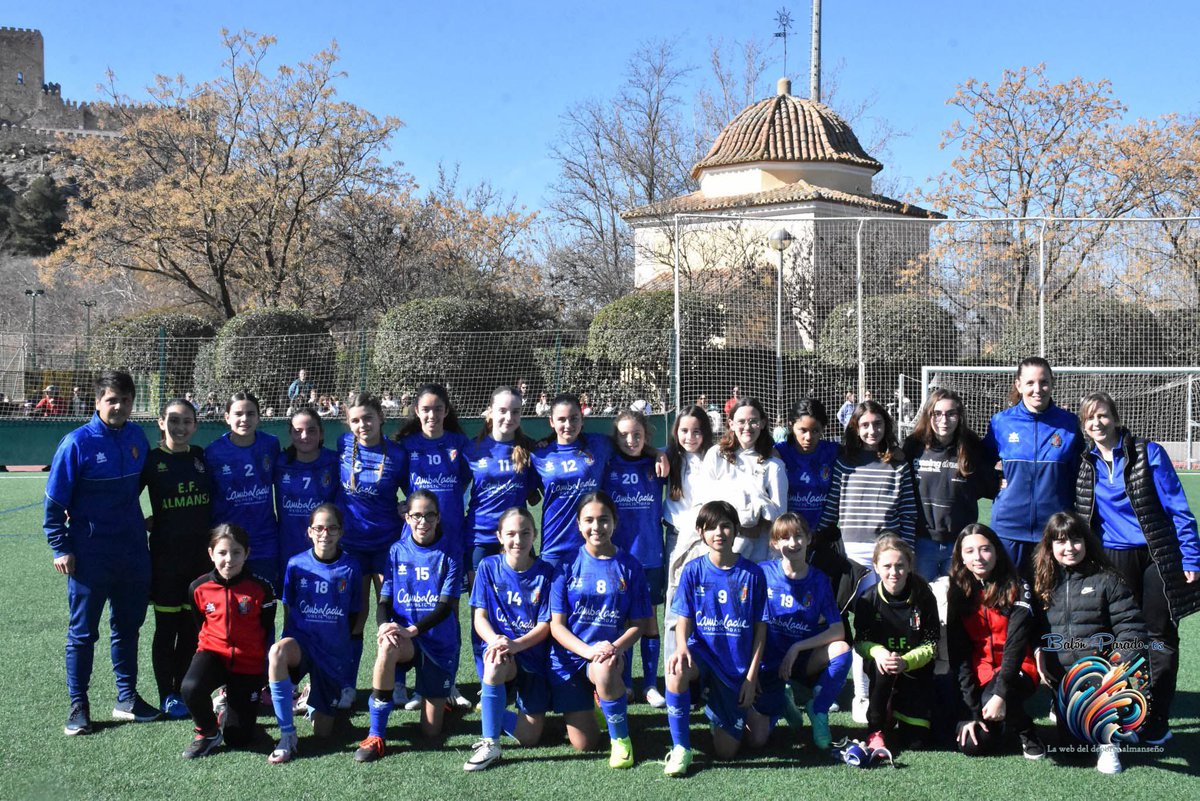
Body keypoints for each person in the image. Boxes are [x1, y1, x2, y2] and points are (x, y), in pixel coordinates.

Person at [1073, 390, 1199, 746]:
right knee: (1120, 640)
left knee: (1160, 638)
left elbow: (1178, 508)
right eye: (1089, 418)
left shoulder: (1148, 452)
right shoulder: (1085, 462)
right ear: (1084, 426)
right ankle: (1128, 713)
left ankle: (1157, 718)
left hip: (1158, 554)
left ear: (1114, 417)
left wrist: (1191, 556)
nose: (1097, 423)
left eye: (1103, 416)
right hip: (1113, 557)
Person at [46, 370, 158, 735]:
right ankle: (78, 705)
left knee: (128, 627)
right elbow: (53, 505)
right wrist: (60, 547)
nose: (119, 406)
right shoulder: (76, 443)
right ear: (97, 402)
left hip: (131, 551)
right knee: (83, 632)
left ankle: (126, 698)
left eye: (126, 400)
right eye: (112, 399)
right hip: (90, 554)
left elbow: (142, 485)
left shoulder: (137, 436)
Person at [1033, 512, 1147, 774]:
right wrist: (1039, 652)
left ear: (1087, 542)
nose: (1069, 548)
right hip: (1064, 678)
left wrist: (1117, 670)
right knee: (1075, 751)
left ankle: (1110, 742)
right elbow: (1034, 629)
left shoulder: (1108, 579)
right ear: (1050, 547)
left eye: (1075, 540)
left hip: (1102, 675)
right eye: (1060, 542)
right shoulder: (1043, 580)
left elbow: (1132, 630)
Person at [354, 491, 463, 762]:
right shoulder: (396, 550)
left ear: (438, 518)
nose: (422, 521)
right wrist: (383, 626)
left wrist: (413, 629)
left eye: (429, 515)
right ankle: (376, 734)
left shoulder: (451, 551)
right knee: (387, 647)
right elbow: (384, 600)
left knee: (431, 731)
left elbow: (446, 606)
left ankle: (436, 697)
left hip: (439, 642)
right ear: (407, 517)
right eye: (416, 515)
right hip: (406, 639)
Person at [663, 500, 768, 776]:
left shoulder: (753, 574)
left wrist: (751, 677)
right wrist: (683, 646)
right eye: (711, 527)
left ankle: (734, 711)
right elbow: (683, 616)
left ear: (736, 531)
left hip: (735, 670)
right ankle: (680, 748)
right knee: (676, 668)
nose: (718, 533)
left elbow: (760, 629)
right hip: (702, 657)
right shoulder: (693, 570)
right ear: (701, 532)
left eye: (725, 526)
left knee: (734, 749)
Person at [549, 492, 650, 769]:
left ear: (614, 522)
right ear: (579, 525)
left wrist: (613, 648)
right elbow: (556, 626)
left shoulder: (629, 566)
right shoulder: (567, 565)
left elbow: (639, 625)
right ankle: (597, 701)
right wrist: (588, 651)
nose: (597, 527)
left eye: (603, 520)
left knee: (604, 669)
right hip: (570, 658)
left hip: (608, 655)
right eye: (589, 520)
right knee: (584, 744)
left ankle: (621, 741)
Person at [395, 383, 474, 711]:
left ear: (446, 411)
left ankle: (447, 681)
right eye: (425, 409)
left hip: (450, 541)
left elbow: (471, 478)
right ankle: (401, 684)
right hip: (413, 543)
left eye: (437, 409)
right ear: (417, 412)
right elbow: (394, 484)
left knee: (449, 612)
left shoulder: (459, 444)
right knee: (408, 606)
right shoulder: (406, 446)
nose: (431, 415)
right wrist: (405, 508)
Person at [266, 504, 363, 764]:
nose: (325, 533)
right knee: (277, 652)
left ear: (340, 532)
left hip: (331, 654)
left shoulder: (351, 567)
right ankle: (287, 735)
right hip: (302, 646)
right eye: (319, 528)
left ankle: (313, 699)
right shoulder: (296, 564)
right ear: (310, 531)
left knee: (323, 733)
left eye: (332, 528)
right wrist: (289, 642)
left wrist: (342, 647)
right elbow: (289, 608)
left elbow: (355, 613)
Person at [464, 507, 555, 771]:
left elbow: (545, 625)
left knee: (529, 738)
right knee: (494, 663)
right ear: (500, 536)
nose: (518, 540)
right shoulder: (487, 566)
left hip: (531, 655)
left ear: (534, 535)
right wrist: (495, 641)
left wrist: (516, 644)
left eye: (525, 533)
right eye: (511, 534)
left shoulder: (546, 573)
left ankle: (492, 710)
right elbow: (478, 616)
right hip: (500, 649)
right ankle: (490, 743)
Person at [754, 513, 852, 751]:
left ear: (809, 539)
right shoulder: (762, 573)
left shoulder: (819, 580)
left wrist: (797, 647)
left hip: (800, 661)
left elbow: (838, 630)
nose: (793, 542)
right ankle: (782, 700)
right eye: (785, 537)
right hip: (766, 665)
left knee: (842, 649)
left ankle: (818, 709)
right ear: (774, 543)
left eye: (799, 535)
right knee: (758, 741)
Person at [141, 398, 213, 719]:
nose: (180, 428)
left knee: (191, 629)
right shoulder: (152, 461)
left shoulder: (201, 458)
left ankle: (182, 688)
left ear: (195, 425)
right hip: (166, 561)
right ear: (161, 422)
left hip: (199, 561)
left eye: (187, 422)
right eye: (173, 420)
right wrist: (142, 521)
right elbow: (124, 497)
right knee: (165, 629)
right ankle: (165, 694)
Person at [947, 524, 1044, 760]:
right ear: (961, 556)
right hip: (981, 674)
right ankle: (999, 722)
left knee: (994, 699)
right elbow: (959, 654)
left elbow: (1016, 646)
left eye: (985, 549)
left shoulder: (1018, 587)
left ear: (997, 551)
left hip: (1019, 668)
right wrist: (971, 713)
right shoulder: (957, 592)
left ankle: (1026, 730)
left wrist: (1000, 694)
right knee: (972, 746)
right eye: (969, 551)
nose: (978, 557)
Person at [982, 356, 1084, 579]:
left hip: (1054, 530)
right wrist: (995, 483)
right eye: (1030, 383)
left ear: (1052, 383)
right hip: (1008, 528)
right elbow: (980, 464)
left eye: (1044, 382)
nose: (1037, 389)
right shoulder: (1001, 422)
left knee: (1051, 601)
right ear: (1018, 385)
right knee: (1008, 598)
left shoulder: (1069, 424)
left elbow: (1081, 473)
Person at [180, 524, 276, 758]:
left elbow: (265, 627)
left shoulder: (261, 588)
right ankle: (208, 732)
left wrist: (260, 668)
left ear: (247, 554)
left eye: (236, 552)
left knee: (239, 739)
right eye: (222, 553)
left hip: (247, 664)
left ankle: (228, 707)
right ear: (211, 554)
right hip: (213, 655)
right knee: (190, 688)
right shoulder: (198, 587)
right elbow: (200, 623)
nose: (229, 560)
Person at [337, 393, 407, 696]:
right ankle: (348, 684)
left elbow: (413, 493)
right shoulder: (342, 447)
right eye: (355, 420)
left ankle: (400, 682)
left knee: (392, 611)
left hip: (386, 545)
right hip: (351, 545)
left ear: (380, 417)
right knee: (356, 614)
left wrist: (407, 507)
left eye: (367, 417)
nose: (362, 424)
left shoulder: (398, 454)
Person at [852, 534, 939, 753]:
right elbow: (860, 641)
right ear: (876, 567)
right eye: (887, 566)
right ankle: (876, 728)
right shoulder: (867, 599)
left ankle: (897, 707)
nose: (894, 572)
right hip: (883, 668)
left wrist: (906, 661)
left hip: (914, 670)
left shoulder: (924, 597)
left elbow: (931, 643)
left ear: (910, 566)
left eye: (900, 565)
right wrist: (879, 652)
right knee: (884, 667)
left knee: (917, 744)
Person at [603, 409, 667, 707]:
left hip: (651, 554)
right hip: (618, 558)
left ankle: (651, 685)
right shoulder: (608, 465)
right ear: (615, 437)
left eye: (637, 435)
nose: (631, 440)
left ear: (647, 436)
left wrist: (658, 454)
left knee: (650, 618)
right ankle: (626, 681)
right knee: (624, 619)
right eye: (624, 435)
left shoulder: (657, 464)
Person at [904, 389, 997, 580]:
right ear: (928, 415)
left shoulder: (972, 446)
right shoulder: (913, 445)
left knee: (958, 603)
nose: (943, 420)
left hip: (960, 543)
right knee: (924, 601)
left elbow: (987, 486)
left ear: (959, 416)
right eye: (937, 413)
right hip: (922, 541)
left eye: (950, 414)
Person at [205, 391, 281, 590]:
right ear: (227, 417)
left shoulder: (270, 444)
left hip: (264, 541)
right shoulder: (213, 452)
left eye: (250, 413)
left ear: (258, 417)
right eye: (238, 414)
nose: (244, 419)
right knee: (231, 605)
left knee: (264, 605)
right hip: (227, 544)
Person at [702, 397, 787, 563]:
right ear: (731, 424)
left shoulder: (774, 465)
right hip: (719, 552)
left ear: (762, 423)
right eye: (741, 421)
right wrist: (737, 528)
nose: (747, 427)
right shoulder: (715, 455)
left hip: (758, 556)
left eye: (753, 421)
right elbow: (704, 502)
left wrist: (758, 523)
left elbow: (779, 517)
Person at [465, 386, 540, 572]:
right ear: (490, 411)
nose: (509, 417)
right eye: (503, 411)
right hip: (480, 537)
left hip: (518, 537)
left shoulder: (531, 449)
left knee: (521, 598)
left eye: (515, 412)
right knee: (481, 600)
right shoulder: (471, 449)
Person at [663, 405, 715, 668]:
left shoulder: (716, 457)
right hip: (677, 538)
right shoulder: (670, 457)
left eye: (696, 431)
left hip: (707, 539)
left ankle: (703, 673)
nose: (690, 437)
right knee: (675, 606)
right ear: (676, 432)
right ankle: (674, 673)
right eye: (684, 431)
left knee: (706, 606)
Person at [274, 407, 340, 572]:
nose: (304, 436)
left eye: (311, 430)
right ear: (291, 434)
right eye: (298, 431)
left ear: (321, 433)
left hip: (326, 546)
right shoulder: (280, 462)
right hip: (288, 546)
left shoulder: (334, 461)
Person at [775, 398, 840, 533]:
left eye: (815, 431)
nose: (808, 437)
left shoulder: (833, 451)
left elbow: (863, 453)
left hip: (823, 535)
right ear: (791, 425)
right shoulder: (778, 452)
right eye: (802, 430)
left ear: (823, 428)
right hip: (789, 536)